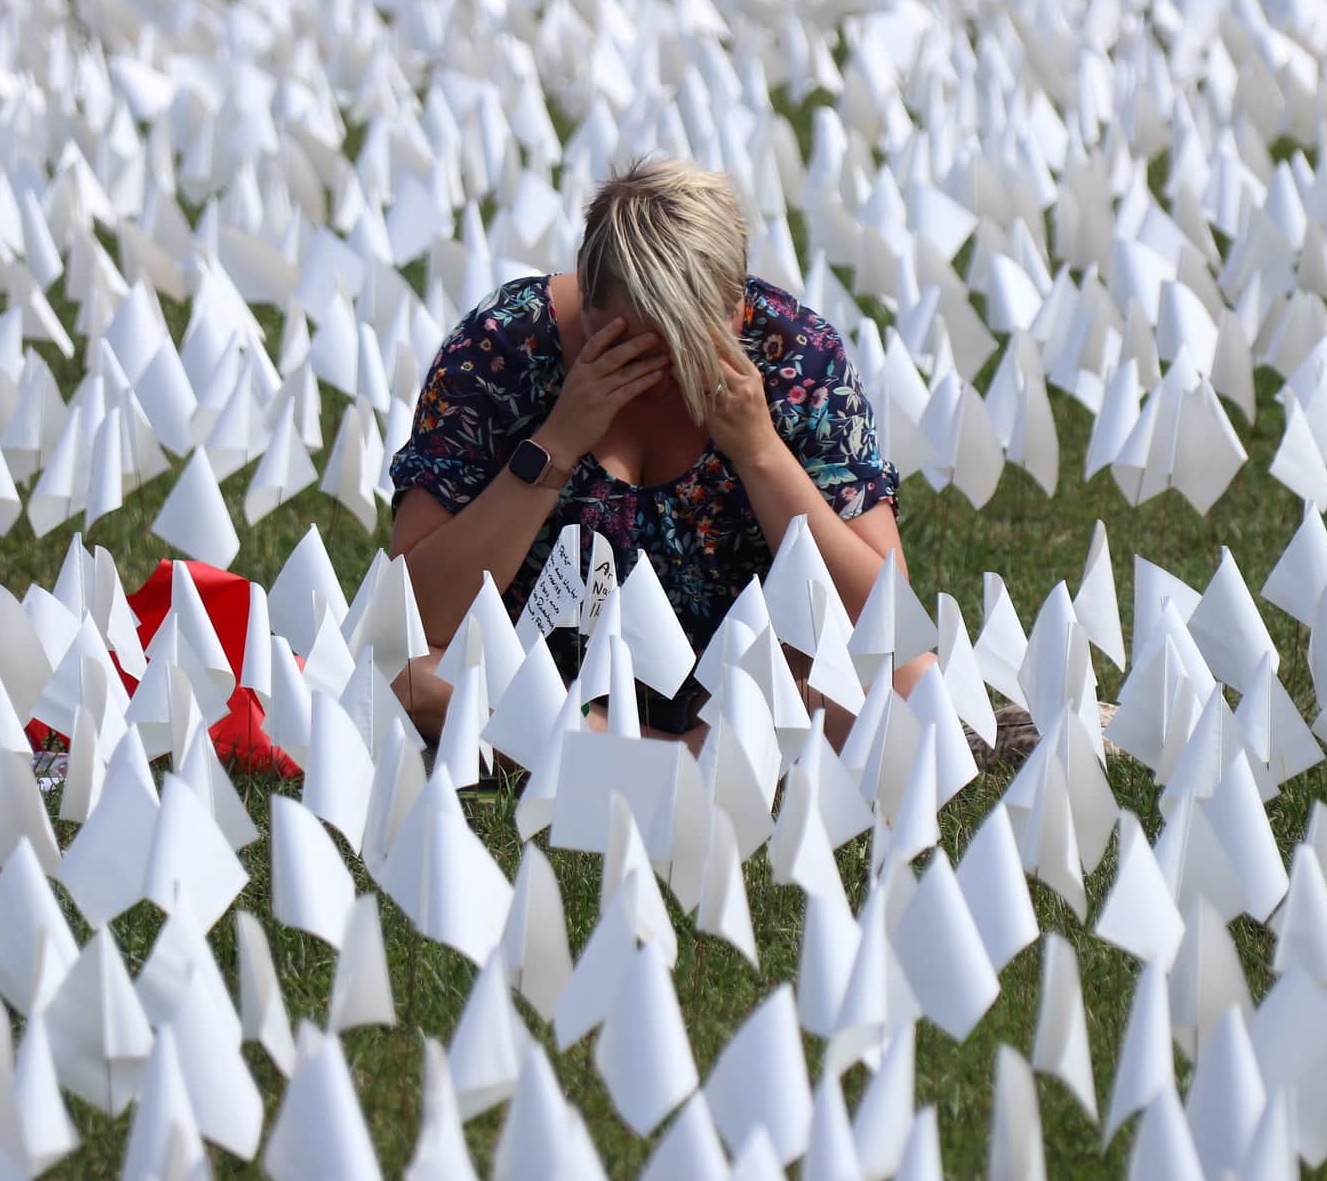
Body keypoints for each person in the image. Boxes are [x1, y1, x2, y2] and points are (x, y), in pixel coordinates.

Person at [386, 155, 935, 751]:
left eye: (689, 346)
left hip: (751, 695)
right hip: (537, 689)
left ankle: (610, 758)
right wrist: (556, 444)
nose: (663, 380)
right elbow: (413, 614)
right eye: (633, 347)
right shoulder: (501, 348)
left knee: (912, 682)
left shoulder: (796, 357)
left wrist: (760, 453)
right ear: (586, 300)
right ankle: (644, 755)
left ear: (738, 308)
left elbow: (884, 620)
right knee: (402, 672)